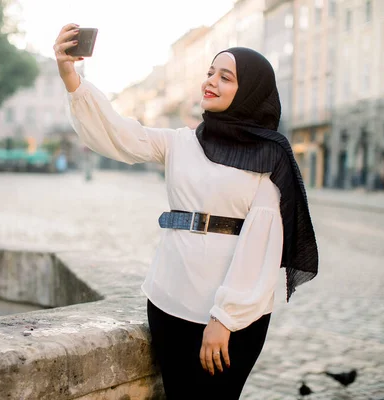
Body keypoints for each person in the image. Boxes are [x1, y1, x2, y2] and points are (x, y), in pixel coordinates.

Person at [54, 23, 319, 399]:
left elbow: (260, 246)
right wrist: (70, 74)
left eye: (225, 77)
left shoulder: (270, 156)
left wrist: (223, 319)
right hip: (168, 302)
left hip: (233, 317)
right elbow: (117, 133)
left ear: (250, 91)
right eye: (210, 72)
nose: (210, 81)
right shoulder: (181, 142)